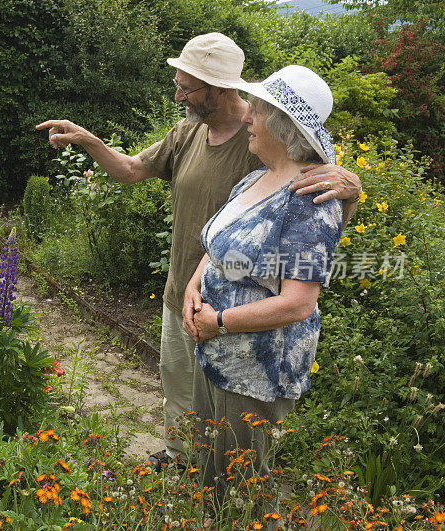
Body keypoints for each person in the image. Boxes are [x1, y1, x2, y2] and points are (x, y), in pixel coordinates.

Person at [36, 33, 361, 471]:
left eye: (187, 87)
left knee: (233, 438)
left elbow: (317, 212)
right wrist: (87, 139)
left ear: (221, 89)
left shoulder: (265, 145)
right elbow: (132, 170)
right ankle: (182, 463)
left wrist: (354, 190)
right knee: (182, 389)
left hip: (244, 326)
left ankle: (214, 485)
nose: (178, 95)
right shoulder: (189, 133)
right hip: (184, 292)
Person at [183, 64, 345, 516]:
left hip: (255, 371)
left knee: (243, 489)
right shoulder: (254, 179)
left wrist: (217, 322)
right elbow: (222, 248)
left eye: (256, 109)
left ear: (282, 124)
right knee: (209, 471)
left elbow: (298, 302)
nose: (247, 118)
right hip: (213, 352)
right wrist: (193, 289)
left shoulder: (311, 200)